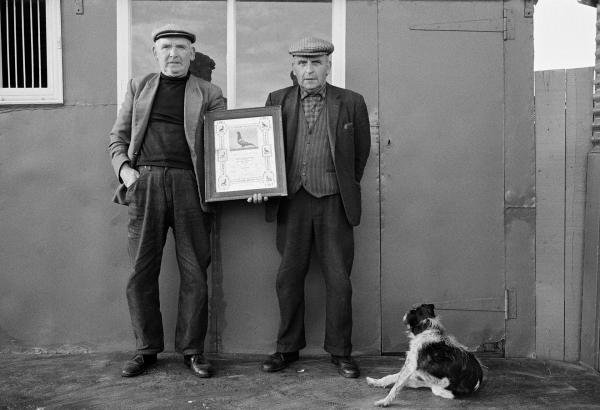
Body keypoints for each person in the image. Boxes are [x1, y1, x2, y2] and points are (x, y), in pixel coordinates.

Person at [108, 24, 226, 378]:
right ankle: (146, 350)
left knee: (194, 272)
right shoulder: (138, 87)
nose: (173, 53)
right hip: (145, 183)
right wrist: (126, 172)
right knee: (141, 272)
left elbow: (225, 144)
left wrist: (245, 179)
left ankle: (192, 351)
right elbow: (118, 138)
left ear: (192, 53)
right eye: (166, 48)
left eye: (180, 47)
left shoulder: (209, 92)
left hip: (191, 185)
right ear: (155, 53)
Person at [252, 36, 371, 378]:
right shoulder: (277, 100)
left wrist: (339, 182)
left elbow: (360, 154)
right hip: (291, 202)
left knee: (339, 281)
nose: (309, 69)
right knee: (288, 278)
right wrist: (263, 186)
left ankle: (341, 352)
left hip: (334, 203)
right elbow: (264, 151)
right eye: (302, 63)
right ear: (293, 66)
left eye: (316, 62)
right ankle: (287, 349)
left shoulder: (351, 102)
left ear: (328, 65)